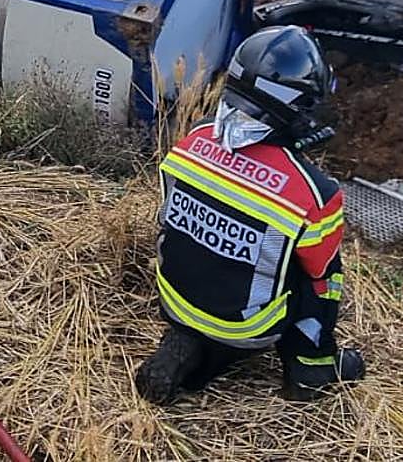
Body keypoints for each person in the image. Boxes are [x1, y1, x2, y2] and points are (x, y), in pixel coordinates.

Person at [135, 25, 365, 404]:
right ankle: (310, 368)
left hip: (173, 298)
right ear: (297, 108)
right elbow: (318, 269)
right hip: (247, 326)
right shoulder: (315, 192)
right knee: (325, 276)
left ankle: (191, 345)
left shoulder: (193, 139)